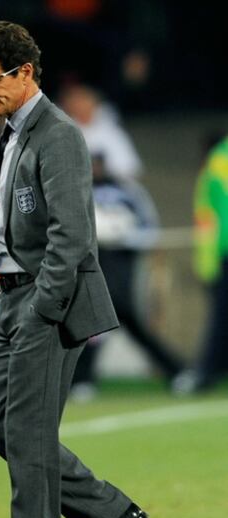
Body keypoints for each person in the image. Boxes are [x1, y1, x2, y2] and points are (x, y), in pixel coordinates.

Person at [0, 20, 148, 518]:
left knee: (27, 431)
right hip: (8, 297)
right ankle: (111, 515)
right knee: (3, 429)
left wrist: (42, 308)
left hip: (45, 300)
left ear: (24, 73)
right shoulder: (13, 129)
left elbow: (73, 236)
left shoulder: (59, 133)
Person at [71, 153, 183, 400]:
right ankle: (177, 371)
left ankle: (82, 380)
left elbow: (145, 220)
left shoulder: (127, 191)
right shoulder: (79, 188)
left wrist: (139, 239)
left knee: (108, 317)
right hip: (94, 256)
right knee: (104, 320)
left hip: (122, 256)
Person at [172, 133, 228, 394]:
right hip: (222, 251)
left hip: (220, 251)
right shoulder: (220, 160)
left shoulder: (216, 161)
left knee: (221, 317)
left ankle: (206, 372)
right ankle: (206, 372)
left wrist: (207, 261)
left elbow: (208, 214)